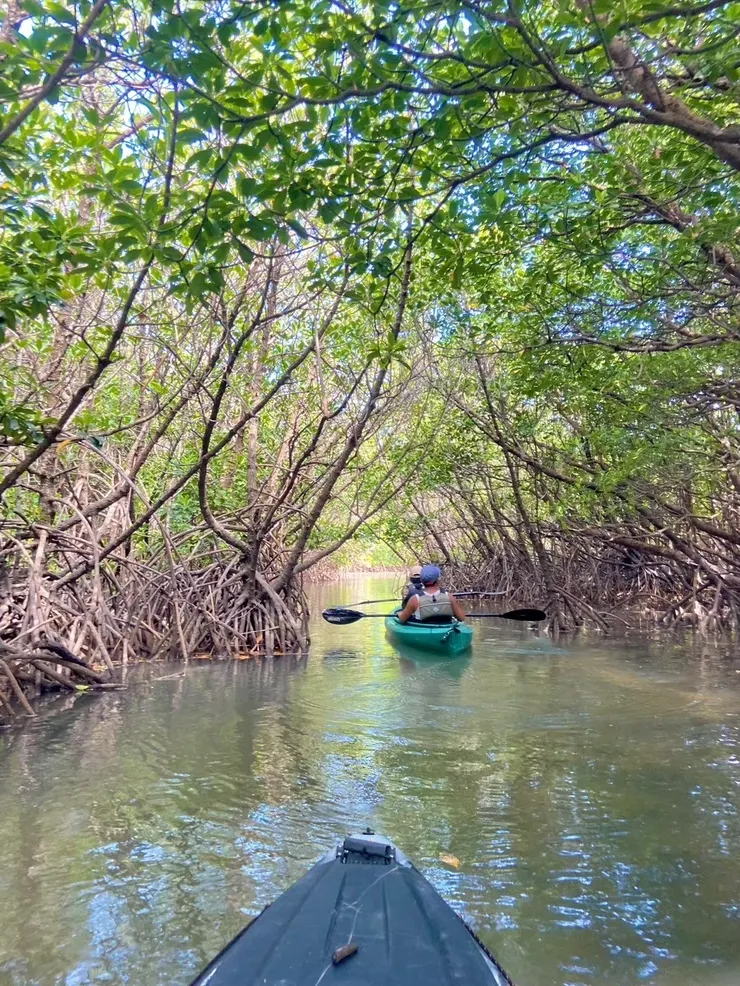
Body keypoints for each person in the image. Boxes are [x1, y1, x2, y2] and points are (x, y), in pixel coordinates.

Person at [397, 564, 466, 624]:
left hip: (423, 630)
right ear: (438, 580)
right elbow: (461, 618)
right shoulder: (449, 597)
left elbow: (402, 620)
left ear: (422, 581)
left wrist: (400, 614)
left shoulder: (414, 599)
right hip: (445, 629)